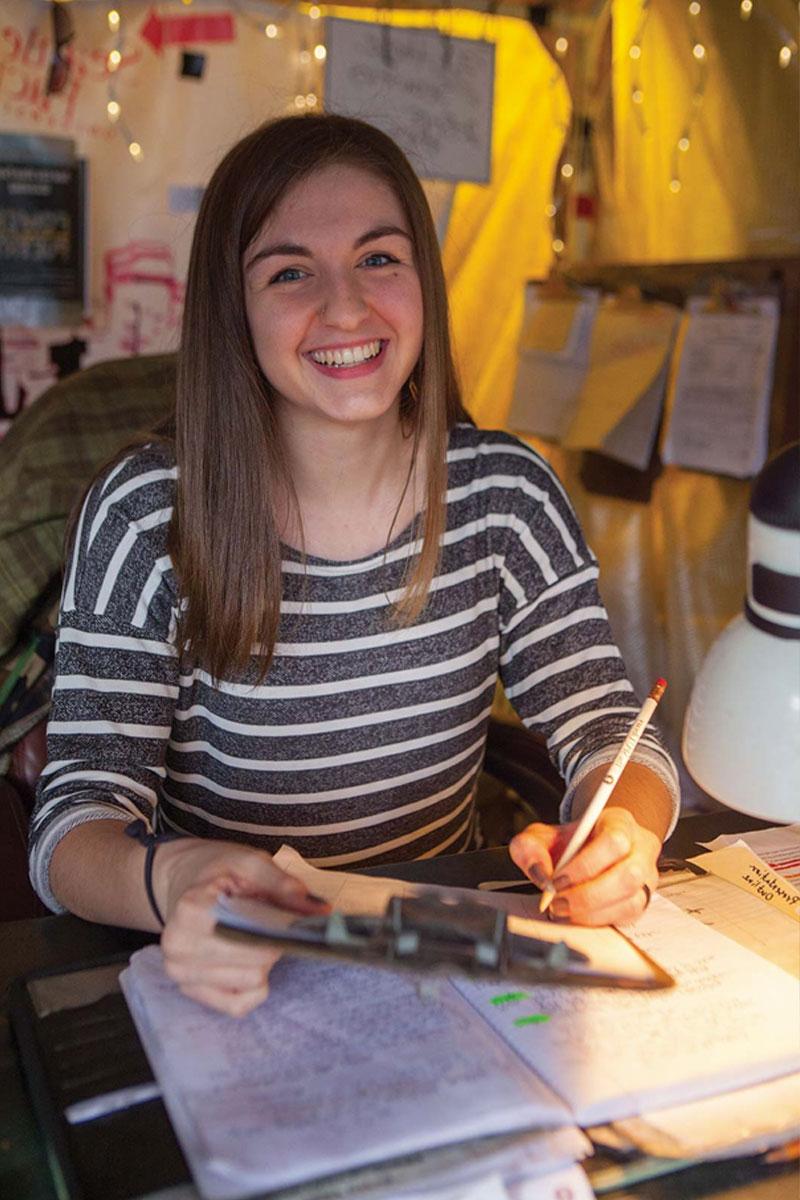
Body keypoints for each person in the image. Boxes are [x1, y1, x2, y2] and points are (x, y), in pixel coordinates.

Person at [29, 114, 679, 1016]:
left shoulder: (506, 495)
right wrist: (172, 877)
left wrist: (625, 834)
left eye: (379, 258)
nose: (346, 308)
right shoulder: (147, 514)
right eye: (291, 272)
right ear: (233, 307)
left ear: (424, 281)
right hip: (232, 982)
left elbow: (615, 728)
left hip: (444, 971)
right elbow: (72, 825)